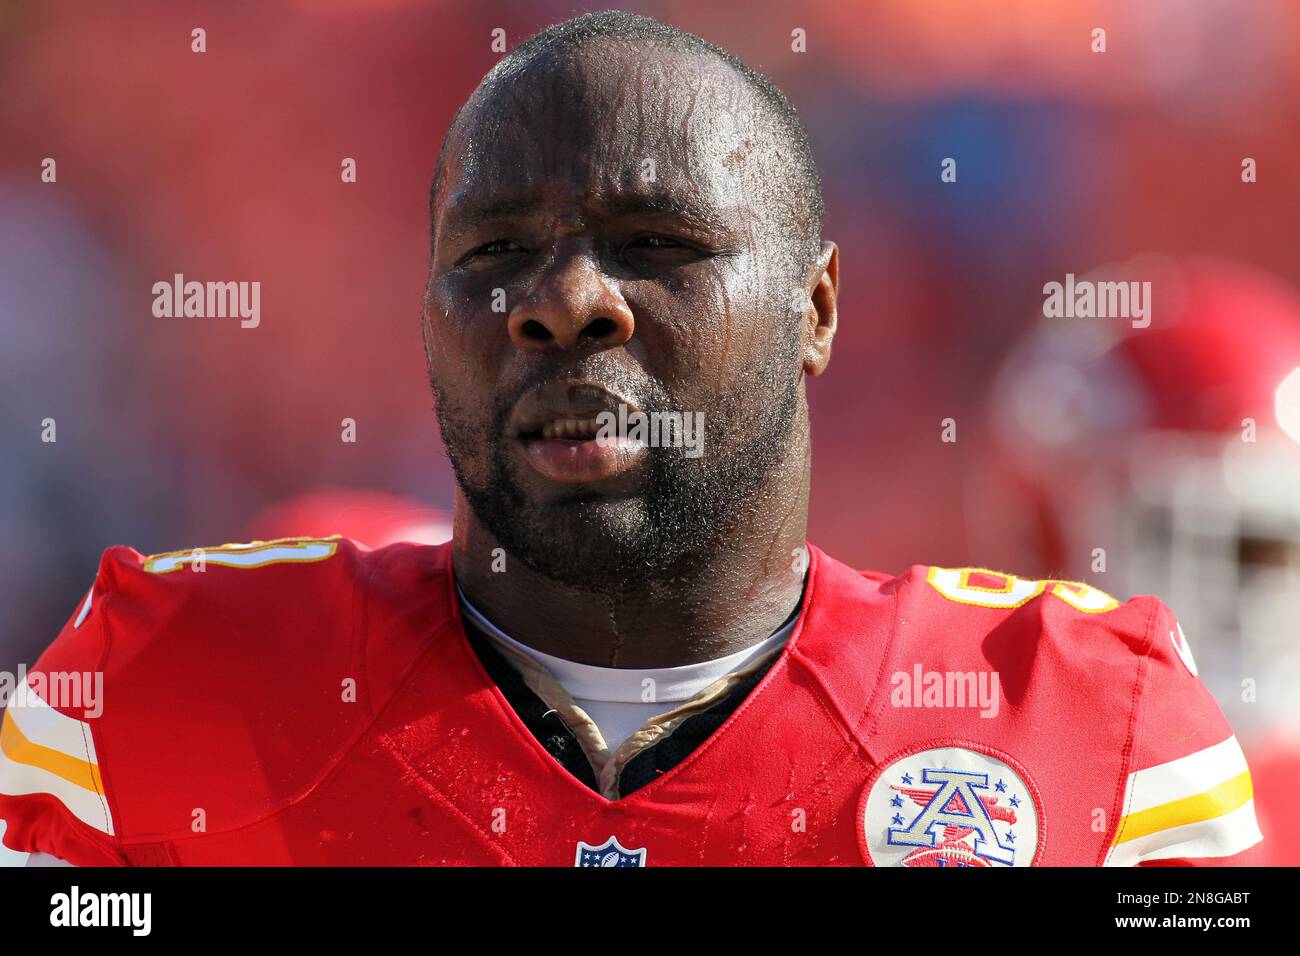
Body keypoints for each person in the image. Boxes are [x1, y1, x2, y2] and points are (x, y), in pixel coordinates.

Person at [0, 11, 1260, 867]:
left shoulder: (1095, 732)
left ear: (816, 309)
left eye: (658, 243)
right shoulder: (155, 692)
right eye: (494, 252)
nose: (566, 299)